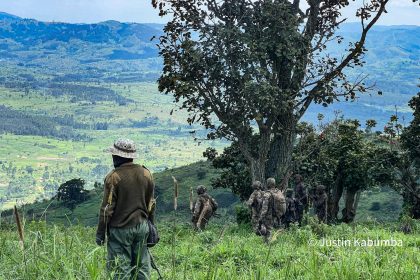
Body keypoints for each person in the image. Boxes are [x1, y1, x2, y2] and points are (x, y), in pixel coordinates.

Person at [96, 138, 155, 280]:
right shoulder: (146, 174)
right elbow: (151, 204)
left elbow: (106, 210)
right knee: (142, 268)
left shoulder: (113, 177)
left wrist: (100, 234)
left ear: (117, 156)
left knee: (120, 270)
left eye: (114, 155)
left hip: (120, 230)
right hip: (142, 227)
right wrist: (151, 225)